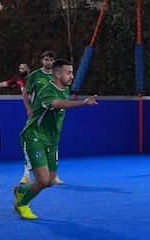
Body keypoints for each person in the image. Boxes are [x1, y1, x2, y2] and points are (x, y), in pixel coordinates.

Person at [12, 59, 98, 220]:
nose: (72, 76)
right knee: (42, 180)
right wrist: (83, 102)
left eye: (72, 72)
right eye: (68, 73)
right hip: (34, 137)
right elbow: (57, 103)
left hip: (52, 141)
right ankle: (22, 204)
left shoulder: (65, 89)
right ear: (58, 74)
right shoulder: (47, 91)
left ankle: (21, 190)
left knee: (50, 181)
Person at [20, 51, 65, 185]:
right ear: (42, 61)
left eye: (51, 59)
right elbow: (25, 94)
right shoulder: (35, 75)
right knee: (29, 141)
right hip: (37, 116)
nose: (48, 62)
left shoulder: (57, 76)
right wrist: (29, 108)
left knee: (53, 144)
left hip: (52, 118)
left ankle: (54, 175)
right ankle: (26, 174)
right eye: (46, 59)